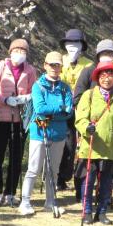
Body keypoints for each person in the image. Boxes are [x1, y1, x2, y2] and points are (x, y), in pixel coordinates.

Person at [75, 62, 113, 225]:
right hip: (91, 146)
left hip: (111, 147)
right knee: (88, 181)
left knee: (106, 182)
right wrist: (87, 127)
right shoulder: (89, 95)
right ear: (98, 78)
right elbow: (80, 118)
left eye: (110, 75)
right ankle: (86, 212)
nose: (107, 79)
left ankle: (102, 212)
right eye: (103, 75)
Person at [19, 52, 74, 216]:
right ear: (45, 66)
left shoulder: (65, 88)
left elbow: (69, 111)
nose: (55, 68)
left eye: (58, 65)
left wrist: (59, 111)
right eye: (52, 65)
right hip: (39, 131)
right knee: (33, 169)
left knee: (53, 170)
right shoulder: (38, 86)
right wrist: (60, 109)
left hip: (58, 133)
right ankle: (25, 202)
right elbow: (40, 109)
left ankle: (50, 202)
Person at [0, 38, 38, 207]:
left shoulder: (30, 70)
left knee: (16, 157)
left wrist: (26, 98)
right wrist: (5, 99)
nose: (19, 54)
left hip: (20, 119)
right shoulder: (0, 67)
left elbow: (35, 91)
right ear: (10, 52)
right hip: (1, 118)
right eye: (16, 50)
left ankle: (10, 192)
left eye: (23, 51)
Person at [57, 29, 93, 191]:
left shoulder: (89, 64)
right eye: (69, 43)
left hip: (81, 108)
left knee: (75, 145)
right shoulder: (58, 61)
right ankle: (58, 178)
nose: (72, 46)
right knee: (61, 143)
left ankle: (74, 176)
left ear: (82, 46)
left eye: (76, 43)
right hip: (60, 108)